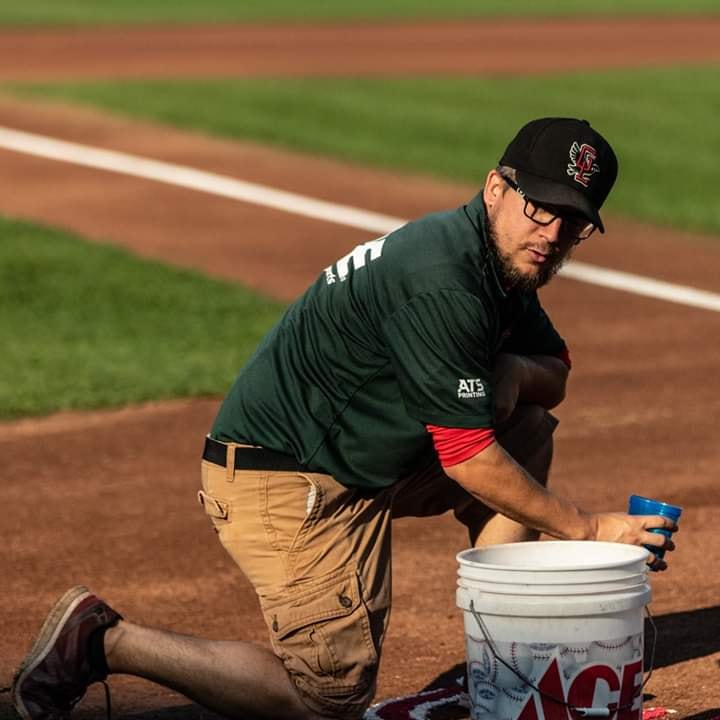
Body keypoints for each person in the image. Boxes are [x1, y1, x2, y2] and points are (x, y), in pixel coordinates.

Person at [12, 117, 678, 720]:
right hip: (285, 480)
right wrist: (589, 529)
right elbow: (468, 458)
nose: (554, 234)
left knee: (527, 426)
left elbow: (553, 374)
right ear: (496, 188)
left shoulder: (499, 264)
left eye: (574, 221)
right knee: (325, 698)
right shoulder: (445, 277)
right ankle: (102, 640)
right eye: (541, 207)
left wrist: (515, 373)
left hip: (362, 456)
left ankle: (496, 658)